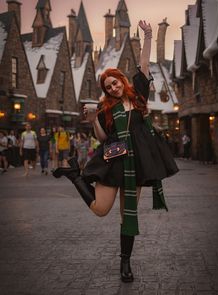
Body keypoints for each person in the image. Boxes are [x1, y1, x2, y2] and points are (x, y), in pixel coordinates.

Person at [53, 20, 178, 282]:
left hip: (138, 163)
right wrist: (93, 119)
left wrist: (147, 35)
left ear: (122, 80)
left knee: (127, 215)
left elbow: (144, 64)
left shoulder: (138, 96)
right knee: (100, 209)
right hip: (114, 160)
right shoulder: (106, 108)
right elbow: (101, 138)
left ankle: (125, 264)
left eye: (114, 82)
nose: (112, 87)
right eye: (108, 86)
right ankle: (76, 176)